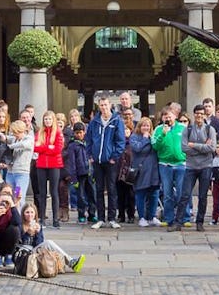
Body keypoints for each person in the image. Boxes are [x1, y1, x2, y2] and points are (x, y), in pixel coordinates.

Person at [86, 95, 126, 229]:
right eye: (101, 105)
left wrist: (114, 157)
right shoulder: (94, 122)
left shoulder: (117, 121)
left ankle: (112, 218)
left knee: (112, 189)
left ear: (110, 105)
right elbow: (89, 139)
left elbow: (120, 141)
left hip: (111, 161)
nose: (103, 107)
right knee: (98, 189)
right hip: (97, 160)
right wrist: (90, 154)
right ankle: (101, 218)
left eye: (105, 105)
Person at [16, 203, 86, 274]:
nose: (30, 215)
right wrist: (28, 234)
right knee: (48, 243)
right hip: (23, 254)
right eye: (27, 212)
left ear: (35, 214)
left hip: (34, 252)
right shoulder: (20, 226)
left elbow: (39, 244)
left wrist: (38, 233)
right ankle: (71, 262)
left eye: (32, 212)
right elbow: (19, 243)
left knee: (49, 244)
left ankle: (70, 262)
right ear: (23, 214)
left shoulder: (37, 225)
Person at [180, 104, 218, 231]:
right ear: (194, 114)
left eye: (202, 113)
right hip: (190, 166)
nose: (199, 116)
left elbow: (212, 148)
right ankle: (178, 222)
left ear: (204, 115)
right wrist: (202, 147)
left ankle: (200, 222)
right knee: (185, 194)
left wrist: (194, 145)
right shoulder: (188, 129)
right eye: (197, 113)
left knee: (203, 196)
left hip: (206, 166)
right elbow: (184, 148)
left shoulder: (210, 130)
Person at [152, 105, 186, 230]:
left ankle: (184, 217)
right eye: (165, 116)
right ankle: (168, 218)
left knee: (182, 192)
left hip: (181, 164)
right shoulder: (158, 129)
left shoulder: (183, 128)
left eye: (170, 116)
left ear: (175, 117)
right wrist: (163, 135)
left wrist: (184, 155)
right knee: (167, 193)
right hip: (165, 164)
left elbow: (189, 144)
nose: (168, 118)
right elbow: (155, 146)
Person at [32, 110, 65, 227]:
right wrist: (48, 147)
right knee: (42, 193)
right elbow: (35, 147)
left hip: (54, 165)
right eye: (46, 119)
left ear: (53, 120)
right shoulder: (40, 132)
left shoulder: (58, 133)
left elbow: (57, 149)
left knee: (54, 191)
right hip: (41, 165)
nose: (47, 121)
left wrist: (43, 148)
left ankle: (55, 219)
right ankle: (42, 218)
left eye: (50, 119)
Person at [128, 118, 160, 227]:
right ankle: (141, 217)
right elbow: (137, 149)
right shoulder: (134, 137)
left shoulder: (154, 136)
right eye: (143, 126)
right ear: (139, 126)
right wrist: (145, 139)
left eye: (148, 126)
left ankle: (152, 216)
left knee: (154, 194)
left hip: (154, 170)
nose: (146, 128)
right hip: (141, 170)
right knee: (140, 193)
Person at [62, 122, 94, 223]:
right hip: (79, 174)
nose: (79, 135)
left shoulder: (88, 143)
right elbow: (72, 163)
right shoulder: (72, 146)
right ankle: (81, 214)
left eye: (81, 132)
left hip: (89, 172)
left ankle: (92, 214)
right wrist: (73, 177)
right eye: (77, 133)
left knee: (92, 194)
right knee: (80, 196)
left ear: (84, 132)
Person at [5, 120, 34, 205]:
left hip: (21, 174)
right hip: (10, 173)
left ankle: (19, 214)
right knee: (9, 195)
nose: (14, 135)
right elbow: (3, 137)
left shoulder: (29, 139)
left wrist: (10, 147)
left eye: (16, 132)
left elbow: (23, 145)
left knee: (18, 195)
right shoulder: (14, 139)